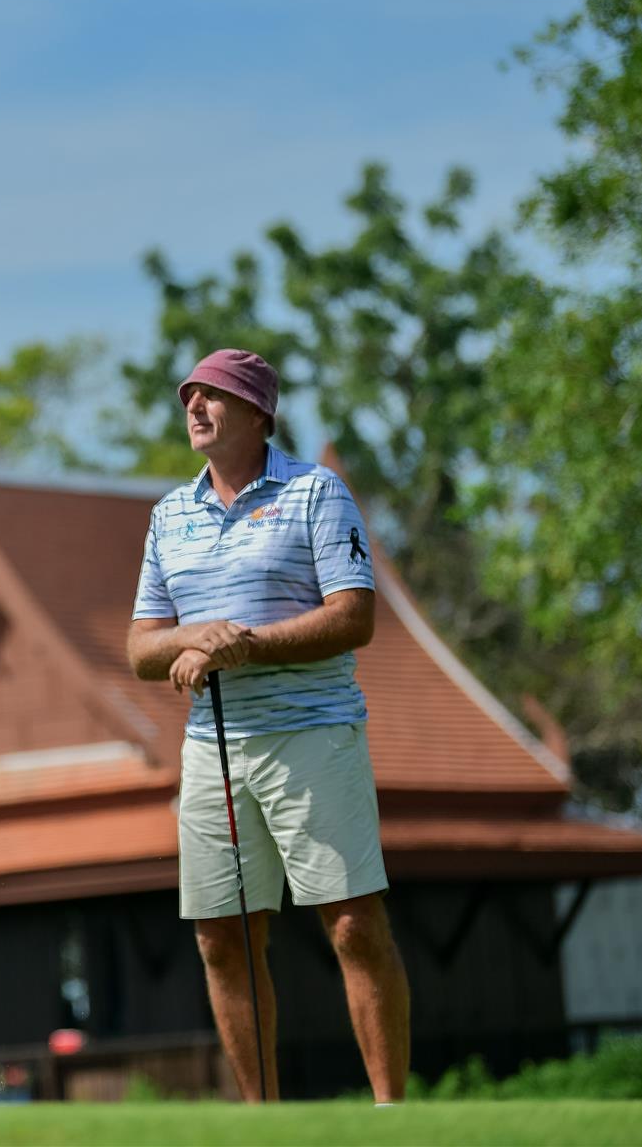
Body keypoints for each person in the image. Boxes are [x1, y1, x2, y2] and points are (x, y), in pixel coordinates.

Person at [124, 348, 411, 1104]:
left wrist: (242, 646)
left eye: (212, 395)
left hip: (314, 734)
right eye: (188, 396)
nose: (195, 408)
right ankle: (263, 1121)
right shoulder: (168, 515)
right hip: (212, 748)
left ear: (257, 413)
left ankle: (391, 1114)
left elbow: (353, 618)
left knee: (351, 924)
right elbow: (141, 649)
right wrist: (196, 638)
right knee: (222, 938)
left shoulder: (317, 492)